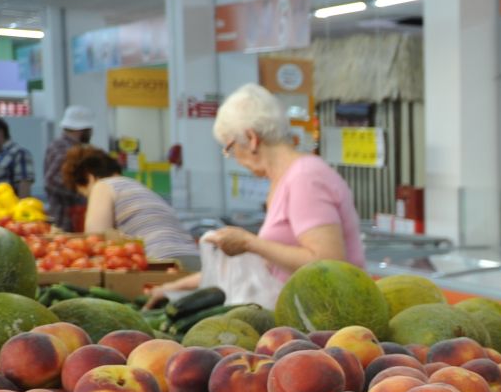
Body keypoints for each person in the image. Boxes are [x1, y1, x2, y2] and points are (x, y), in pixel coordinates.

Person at [149, 84, 364, 300]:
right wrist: (175, 287)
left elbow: (328, 261)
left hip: (327, 317)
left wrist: (250, 243)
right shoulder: (285, 180)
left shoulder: (304, 178)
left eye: (230, 148)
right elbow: (266, 262)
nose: (234, 158)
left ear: (251, 138)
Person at [63, 147, 200, 269]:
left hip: (161, 263)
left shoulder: (102, 186)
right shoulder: (137, 186)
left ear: (89, 177)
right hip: (197, 263)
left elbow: (95, 241)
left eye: (85, 194)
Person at [42, 106, 95, 231]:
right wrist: (84, 192)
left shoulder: (59, 145)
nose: (91, 133)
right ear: (82, 130)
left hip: (65, 217)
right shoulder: (67, 149)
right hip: (66, 219)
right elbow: (52, 181)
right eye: (90, 129)